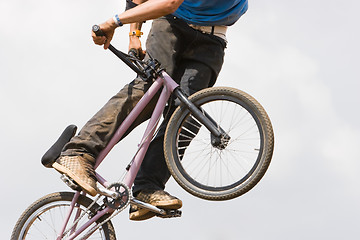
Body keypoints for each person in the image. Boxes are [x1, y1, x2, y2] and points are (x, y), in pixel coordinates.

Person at [52, 0, 248, 221]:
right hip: (172, 25)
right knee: (149, 92)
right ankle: (79, 152)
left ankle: (148, 188)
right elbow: (161, 2)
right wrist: (128, 30)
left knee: (187, 117)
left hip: (213, 40)